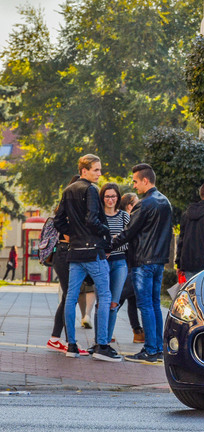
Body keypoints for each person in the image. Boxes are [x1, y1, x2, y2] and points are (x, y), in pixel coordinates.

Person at [53, 154, 121, 362]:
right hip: (92, 251)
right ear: (84, 171)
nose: (99, 174)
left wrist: (72, 234)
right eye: (96, 170)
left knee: (71, 298)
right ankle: (101, 345)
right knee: (105, 295)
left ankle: (71, 345)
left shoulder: (68, 190)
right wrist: (106, 232)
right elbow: (92, 219)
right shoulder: (90, 190)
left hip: (75, 252)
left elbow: (58, 221)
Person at [111, 163, 172, 363]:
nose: (134, 186)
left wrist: (108, 245)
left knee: (145, 305)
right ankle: (157, 349)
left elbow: (129, 232)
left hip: (142, 261)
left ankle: (150, 350)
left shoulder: (144, 204)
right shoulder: (165, 202)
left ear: (145, 180)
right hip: (158, 261)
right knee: (154, 305)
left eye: (136, 181)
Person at [46, 176, 88, 356]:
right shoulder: (71, 207)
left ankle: (56, 339)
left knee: (68, 296)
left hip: (66, 254)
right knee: (70, 296)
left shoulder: (73, 205)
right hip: (64, 253)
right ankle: (60, 340)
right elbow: (67, 233)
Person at [92, 183, 130, 347]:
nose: (110, 199)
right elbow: (93, 239)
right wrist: (111, 240)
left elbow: (129, 240)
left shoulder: (124, 217)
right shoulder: (98, 217)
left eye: (113, 196)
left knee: (114, 303)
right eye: (107, 196)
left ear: (118, 197)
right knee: (101, 303)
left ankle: (106, 342)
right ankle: (98, 341)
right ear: (102, 198)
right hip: (100, 262)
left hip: (119, 262)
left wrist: (112, 243)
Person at [116, 192, 144, 343]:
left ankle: (138, 332)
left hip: (131, 263)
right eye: (136, 202)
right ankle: (106, 327)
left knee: (131, 298)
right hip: (126, 263)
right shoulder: (127, 218)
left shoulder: (128, 218)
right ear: (129, 206)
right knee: (119, 298)